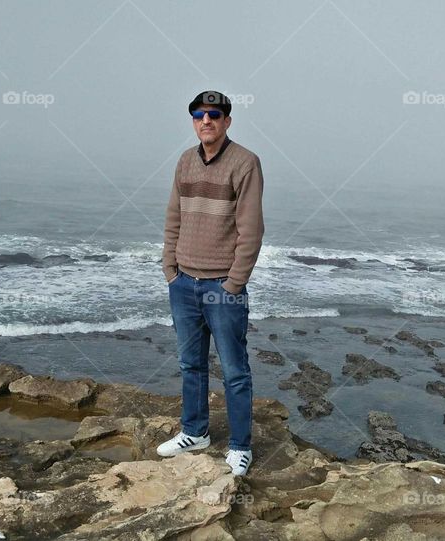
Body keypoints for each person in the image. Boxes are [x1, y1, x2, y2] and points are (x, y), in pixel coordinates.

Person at [157, 90, 265, 476]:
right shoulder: (185, 161)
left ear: (227, 121)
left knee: (235, 371)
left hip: (223, 287)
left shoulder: (245, 163)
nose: (207, 121)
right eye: (199, 114)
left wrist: (234, 284)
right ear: (193, 120)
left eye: (214, 114)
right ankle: (195, 431)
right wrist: (170, 269)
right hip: (183, 283)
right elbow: (174, 217)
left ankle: (239, 446)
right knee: (191, 364)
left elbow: (250, 230)